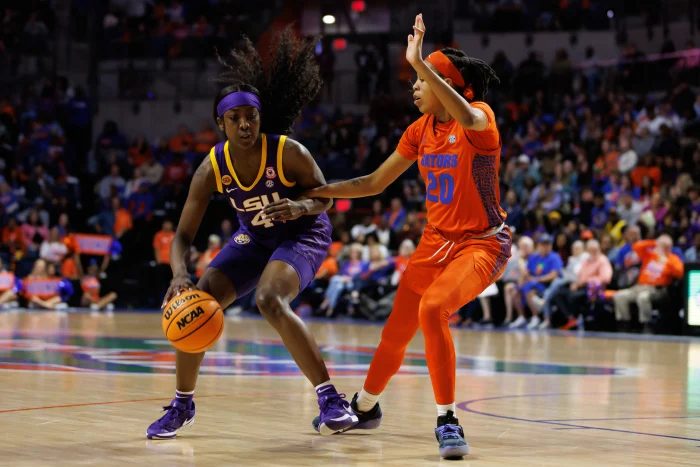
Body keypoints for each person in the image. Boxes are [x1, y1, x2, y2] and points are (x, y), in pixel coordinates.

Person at [290, 14, 511, 459]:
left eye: (421, 80)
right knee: (395, 333)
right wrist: (312, 192)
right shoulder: (418, 130)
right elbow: (372, 182)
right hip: (435, 243)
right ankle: (366, 407)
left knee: (434, 309)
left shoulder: (480, 120)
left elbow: (466, 112)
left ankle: (447, 418)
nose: (414, 85)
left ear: (443, 83)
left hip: (482, 243)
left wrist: (422, 61)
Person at [146, 26, 357, 440]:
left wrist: (300, 205)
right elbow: (183, 237)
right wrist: (178, 273)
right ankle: (182, 405)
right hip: (256, 239)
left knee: (269, 299)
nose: (245, 125)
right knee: (197, 300)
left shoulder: (288, 152)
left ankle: (331, 398)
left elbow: (326, 198)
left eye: (251, 117)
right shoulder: (211, 168)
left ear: (260, 117)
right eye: (235, 119)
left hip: (303, 234)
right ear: (220, 123)